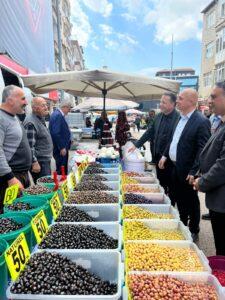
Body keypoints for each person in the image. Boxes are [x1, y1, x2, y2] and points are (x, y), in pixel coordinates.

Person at [159, 88, 211, 242]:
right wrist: (165, 155)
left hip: (188, 170)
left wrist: (195, 170)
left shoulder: (201, 121)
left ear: (191, 101)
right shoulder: (180, 118)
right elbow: (174, 140)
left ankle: (194, 229)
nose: (178, 101)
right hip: (175, 167)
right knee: (178, 198)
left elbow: (203, 149)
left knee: (191, 201)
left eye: (180, 98)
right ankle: (182, 224)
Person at [129, 93, 179, 202]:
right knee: (161, 183)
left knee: (172, 186)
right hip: (158, 157)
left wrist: (165, 156)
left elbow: (174, 140)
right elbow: (149, 132)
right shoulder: (159, 116)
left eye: (164, 102)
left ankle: (171, 204)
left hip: (171, 160)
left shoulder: (178, 118)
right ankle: (162, 201)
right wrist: (137, 144)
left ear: (172, 104)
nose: (160, 104)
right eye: (160, 101)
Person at [193, 82, 225, 255]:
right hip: (217, 201)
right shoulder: (220, 123)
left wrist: (202, 182)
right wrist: (199, 173)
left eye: (214, 96)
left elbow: (222, 166)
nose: (209, 101)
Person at [0, 85, 32, 213]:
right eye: (23, 99)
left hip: (21, 175)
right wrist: (10, 178)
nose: (26, 102)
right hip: (9, 178)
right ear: (10, 100)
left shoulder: (14, 116)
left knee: (21, 211)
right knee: (9, 214)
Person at [24, 97, 53, 183]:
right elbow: (29, 146)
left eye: (46, 105)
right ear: (35, 108)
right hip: (40, 163)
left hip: (44, 161)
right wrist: (34, 162)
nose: (46, 107)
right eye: (43, 105)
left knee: (47, 186)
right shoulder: (31, 122)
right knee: (44, 188)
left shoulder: (40, 118)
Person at [49, 100, 72, 175]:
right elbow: (55, 133)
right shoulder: (58, 115)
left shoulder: (57, 114)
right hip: (60, 148)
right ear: (65, 107)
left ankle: (62, 183)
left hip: (61, 147)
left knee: (62, 167)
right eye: (69, 109)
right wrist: (62, 147)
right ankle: (61, 185)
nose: (69, 111)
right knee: (61, 168)